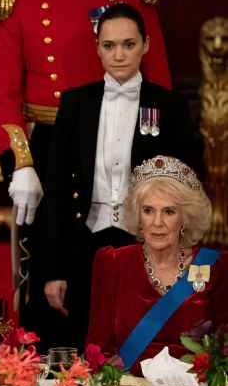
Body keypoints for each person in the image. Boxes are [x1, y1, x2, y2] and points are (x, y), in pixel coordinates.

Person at [0, 0, 171, 342]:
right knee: (51, 271)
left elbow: (158, 85)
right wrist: (21, 164)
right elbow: (1, 92)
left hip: (126, 141)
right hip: (50, 144)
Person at [42, 3, 204, 350]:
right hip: (83, 240)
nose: (118, 55)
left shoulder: (171, 106)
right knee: (86, 344)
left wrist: (180, 251)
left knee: (141, 345)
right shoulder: (75, 103)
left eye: (128, 44)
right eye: (109, 45)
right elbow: (55, 191)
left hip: (147, 243)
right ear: (97, 47)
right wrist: (52, 270)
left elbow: (188, 186)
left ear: (146, 45)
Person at [88, 156, 225, 372]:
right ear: (138, 216)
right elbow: (97, 350)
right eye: (148, 210)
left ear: (185, 218)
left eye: (169, 211)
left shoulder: (213, 266)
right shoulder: (114, 263)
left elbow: (223, 350)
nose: (157, 222)